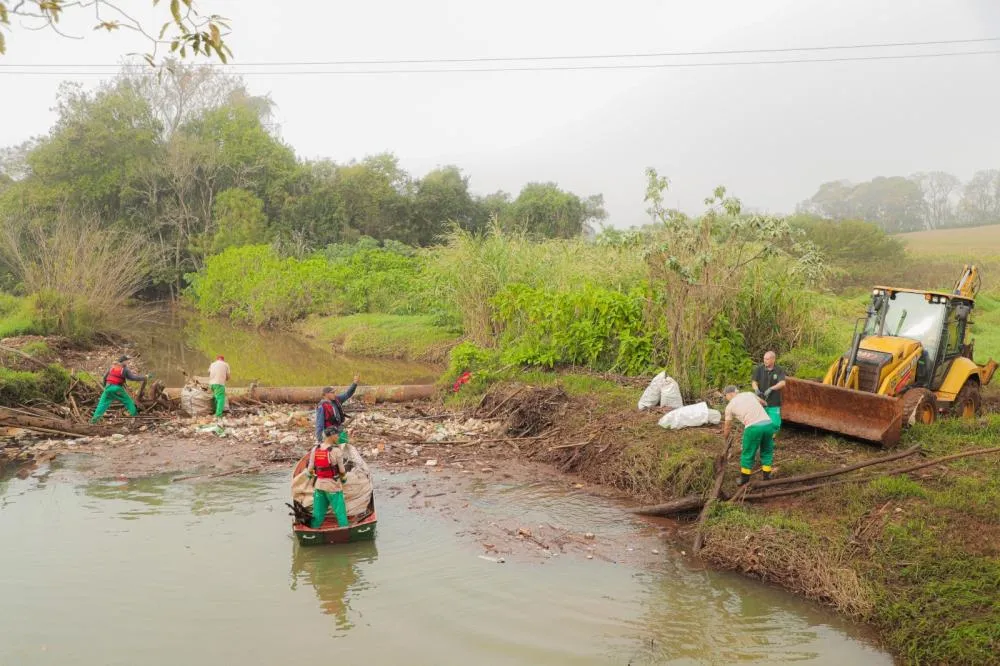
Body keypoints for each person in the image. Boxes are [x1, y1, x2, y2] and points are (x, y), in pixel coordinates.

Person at [723, 385, 778, 485]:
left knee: (748, 452)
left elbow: (727, 427)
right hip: (768, 425)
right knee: (766, 450)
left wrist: (726, 439)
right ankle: (767, 475)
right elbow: (764, 403)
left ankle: (744, 479)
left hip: (753, 428)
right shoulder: (748, 394)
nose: (726, 398)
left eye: (725, 396)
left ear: (730, 394)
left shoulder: (729, 407)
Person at [90, 355, 151, 423]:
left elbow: (104, 377)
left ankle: (93, 421)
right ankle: (136, 417)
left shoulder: (112, 367)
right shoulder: (125, 369)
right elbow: (133, 378)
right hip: (117, 388)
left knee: (101, 405)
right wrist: (145, 377)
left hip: (107, 388)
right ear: (123, 361)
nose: (128, 362)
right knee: (128, 401)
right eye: (127, 360)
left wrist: (105, 387)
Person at [306, 433, 349, 528]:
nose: (338, 437)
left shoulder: (315, 449)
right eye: (337, 435)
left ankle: (314, 530)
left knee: (317, 513)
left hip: (319, 486)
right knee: (340, 512)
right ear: (331, 436)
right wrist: (344, 479)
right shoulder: (337, 451)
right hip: (333, 487)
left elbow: (309, 469)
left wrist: (309, 476)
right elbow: (342, 471)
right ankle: (345, 530)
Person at [315, 375, 360, 446]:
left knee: (346, 447)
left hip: (339, 430)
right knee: (336, 451)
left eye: (334, 392)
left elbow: (348, 394)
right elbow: (319, 424)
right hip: (330, 434)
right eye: (332, 393)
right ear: (326, 394)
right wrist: (319, 440)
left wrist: (355, 383)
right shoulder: (322, 406)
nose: (334, 394)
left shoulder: (336, 399)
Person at [752, 351, 787, 430]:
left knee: (775, 423)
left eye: (767, 359)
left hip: (774, 402)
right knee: (759, 422)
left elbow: (782, 383)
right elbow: (754, 382)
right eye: (764, 359)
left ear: (773, 360)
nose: (765, 361)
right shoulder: (759, 369)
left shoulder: (779, 370)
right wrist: (756, 389)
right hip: (761, 400)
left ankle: (772, 438)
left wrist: (771, 388)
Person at [208, 354, 231, 419]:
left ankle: (214, 411)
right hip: (219, 383)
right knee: (221, 399)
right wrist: (226, 378)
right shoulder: (225, 364)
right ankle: (218, 415)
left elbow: (209, 373)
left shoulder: (212, 364)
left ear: (217, 359)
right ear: (223, 360)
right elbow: (228, 377)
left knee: (215, 398)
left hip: (212, 384)